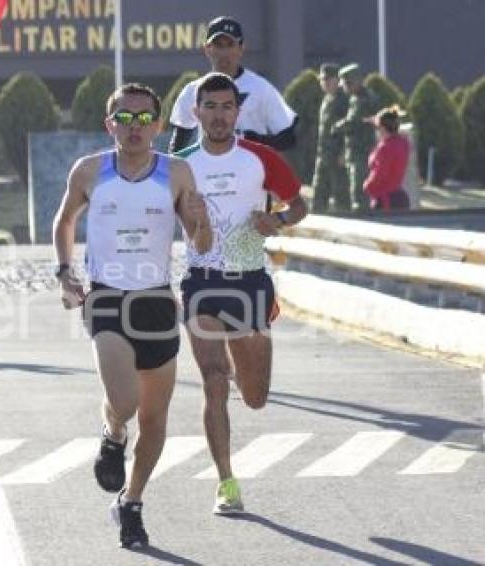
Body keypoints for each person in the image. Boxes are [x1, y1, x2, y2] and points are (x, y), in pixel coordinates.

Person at [52, 83, 212, 548]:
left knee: (156, 418)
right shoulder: (89, 171)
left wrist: (199, 221)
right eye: (125, 118)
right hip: (106, 299)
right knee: (125, 401)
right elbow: (64, 221)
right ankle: (113, 431)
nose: (135, 127)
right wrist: (65, 272)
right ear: (110, 125)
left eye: (145, 119)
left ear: (159, 126)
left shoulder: (177, 173)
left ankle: (131, 503)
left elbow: (199, 245)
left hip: (156, 300)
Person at [175, 72, 306, 515]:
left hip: (250, 281)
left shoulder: (260, 157)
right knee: (214, 382)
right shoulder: (181, 164)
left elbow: (298, 203)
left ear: (238, 112)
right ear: (196, 113)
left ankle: (241, 365)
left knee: (255, 396)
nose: (217, 115)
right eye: (209, 107)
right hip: (202, 280)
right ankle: (226, 481)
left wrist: (280, 222)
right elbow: (179, 226)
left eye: (226, 107)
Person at [169, 15, 298, 154]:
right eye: (219, 45)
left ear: (241, 48)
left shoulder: (261, 88)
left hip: (252, 170)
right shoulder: (193, 90)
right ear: (207, 49)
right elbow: (178, 144)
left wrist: (255, 140)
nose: (224, 52)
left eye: (230, 45)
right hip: (209, 171)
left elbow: (288, 138)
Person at [332, 63, 377, 212]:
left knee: (359, 187)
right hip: (356, 149)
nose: (344, 87)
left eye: (347, 84)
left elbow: (353, 123)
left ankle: (362, 215)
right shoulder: (356, 98)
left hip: (361, 150)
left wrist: (337, 127)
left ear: (355, 82)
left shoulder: (361, 100)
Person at [312, 63, 350, 213]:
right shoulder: (327, 100)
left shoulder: (344, 100)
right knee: (319, 194)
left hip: (337, 156)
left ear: (337, 80)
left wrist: (344, 152)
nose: (325, 82)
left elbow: (350, 128)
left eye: (328, 79)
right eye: (322, 79)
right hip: (324, 156)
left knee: (341, 195)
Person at [363, 105, 410, 211]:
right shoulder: (403, 143)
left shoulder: (385, 148)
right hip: (399, 197)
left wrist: (367, 185)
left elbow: (380, 173)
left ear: (382, 128)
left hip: (385, 200)